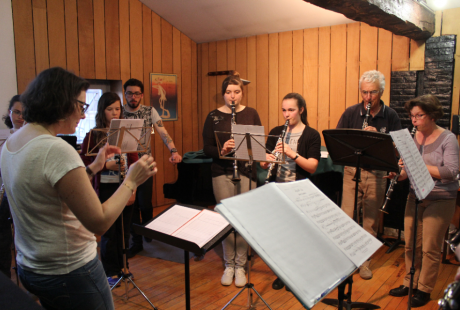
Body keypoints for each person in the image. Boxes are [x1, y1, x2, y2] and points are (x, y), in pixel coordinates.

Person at [0, 67, 157, 310]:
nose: (83, 116)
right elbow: (99, 222)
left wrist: (94, 167)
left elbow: (52, 190)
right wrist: (132, 181)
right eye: (81, 106)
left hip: (31, 266)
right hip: (69, 271)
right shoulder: (56, 149)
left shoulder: (12, 142)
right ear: (61, 102)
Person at [389, 94, 459, 307]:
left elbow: (451, 171)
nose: (414, 120)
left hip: (441, 198)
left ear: (432, 115)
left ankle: (424, 289)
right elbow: (407, 172)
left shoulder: (448, 138)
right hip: (416, 196)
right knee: (410, 244)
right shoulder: (411, 137)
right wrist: (397, 174)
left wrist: (416, 162)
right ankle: (409, 283)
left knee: (430, 246)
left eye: (419, 115)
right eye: (412, 116)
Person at [336, 70, 402, 280]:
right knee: (347, 216)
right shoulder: (351, 112)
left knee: (371, 221)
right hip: (353, 170)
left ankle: (365, 261)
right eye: (364, 92)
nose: (368, 97)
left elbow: (400, 147)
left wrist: (380, 138)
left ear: (381, 91)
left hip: (377, 173)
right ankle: (346, 259)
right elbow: (338, 140)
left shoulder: (390, 115)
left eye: (372, 92)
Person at [202, 73, 261, 287]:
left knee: (244, 219)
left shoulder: (251, 113)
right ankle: (229, 264)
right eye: (228, 92)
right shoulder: (213, 116)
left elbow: (257, 146)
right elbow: (206, 148)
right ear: (223, 94)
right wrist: (222, 149)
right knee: (226, 219)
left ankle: (241, 265)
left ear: (242, 93)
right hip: (221, 171)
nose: (232, 96)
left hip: (245, 171)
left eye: (236, 92)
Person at [261, 92, 321, 291]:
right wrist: (266, 159)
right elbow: (263, 162)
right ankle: (283, 273)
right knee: (280, 236)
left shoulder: (312, 134)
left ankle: (299, 274)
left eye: (291, 110)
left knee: (299, 235)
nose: (287, 114)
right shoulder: (276, 131)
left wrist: (291, 152)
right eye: (284, 110)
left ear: (301, 110)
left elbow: (312, 166)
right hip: (277, 188)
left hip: (299, 190)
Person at [80, 92, 138, 287]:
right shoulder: (93, 134)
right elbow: (86, 163)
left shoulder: (126, 132)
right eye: (110, 109)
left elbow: (134, 160)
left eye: (117, 108)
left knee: (125, 229)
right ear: (102, 111)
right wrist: (105, 165)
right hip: (105, 187)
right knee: (109, 232)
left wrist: (134, 188)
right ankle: (110, 271)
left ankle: (124, 266)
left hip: (125, 184)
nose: (114, 113)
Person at [122, 78, 182, 258]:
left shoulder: (149, 111)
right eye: (129, 93)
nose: (133, 97)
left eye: (136, 93)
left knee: (144, 202)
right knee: (130, 204)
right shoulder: (119, 112)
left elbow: (163, 132)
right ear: (125, 94)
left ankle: (147, 229)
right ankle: (136, 240)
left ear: (141, 95)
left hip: (145, 163)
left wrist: (174, 150)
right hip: (125, 166)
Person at [0, 95, 24, 278]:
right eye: (16, 112)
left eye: (24, 113)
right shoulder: (3, 138)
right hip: (5, 193)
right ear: (10, 113)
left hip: (24, 193)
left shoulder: (34, 138)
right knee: (3, 238)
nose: (20, 117)